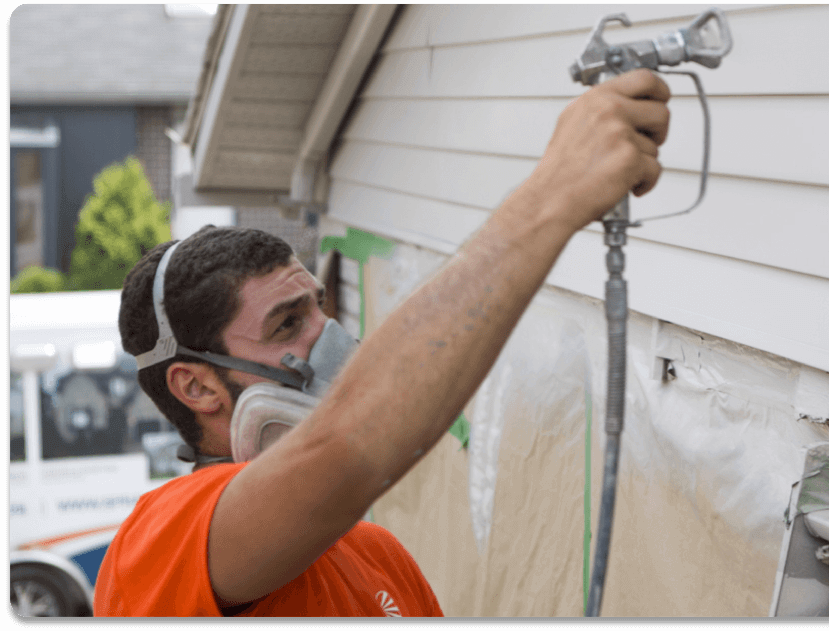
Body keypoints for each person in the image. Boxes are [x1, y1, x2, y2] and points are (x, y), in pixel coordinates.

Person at [93, 68, 671, 616]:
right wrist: (558, 191)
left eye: (320, 308)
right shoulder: (163, 540)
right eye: (286, 325)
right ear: (195, 384)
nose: (332, 339)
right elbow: (348, 448)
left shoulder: (376, 553)